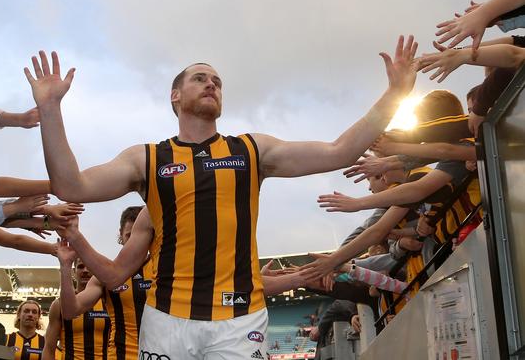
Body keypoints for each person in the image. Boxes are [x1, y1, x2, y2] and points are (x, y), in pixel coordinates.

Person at [24, 35, 419, 358]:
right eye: (199, 78)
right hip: (167, 321)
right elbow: (71, 187)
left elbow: (340, 152)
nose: (211, 83)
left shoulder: (251, 150)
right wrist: (50, 109)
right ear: (175, 95)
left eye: (216, 80)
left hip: (239, 321)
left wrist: (395, 94)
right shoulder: (146, 159)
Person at [55, 206, 150, 360]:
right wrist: (65, 267)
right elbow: (70, 311)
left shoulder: (166, 268)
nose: (136, 242)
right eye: (129, 236)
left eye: (141, 236)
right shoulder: (104, 275)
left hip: (163, 354)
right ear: (120, 235)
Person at [43, 257, 111, 360]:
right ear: (74, 272)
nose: (85, 270)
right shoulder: (59, 305)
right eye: (80, 267)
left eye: (90, 267)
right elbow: (49, 348)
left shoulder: (109, 303)